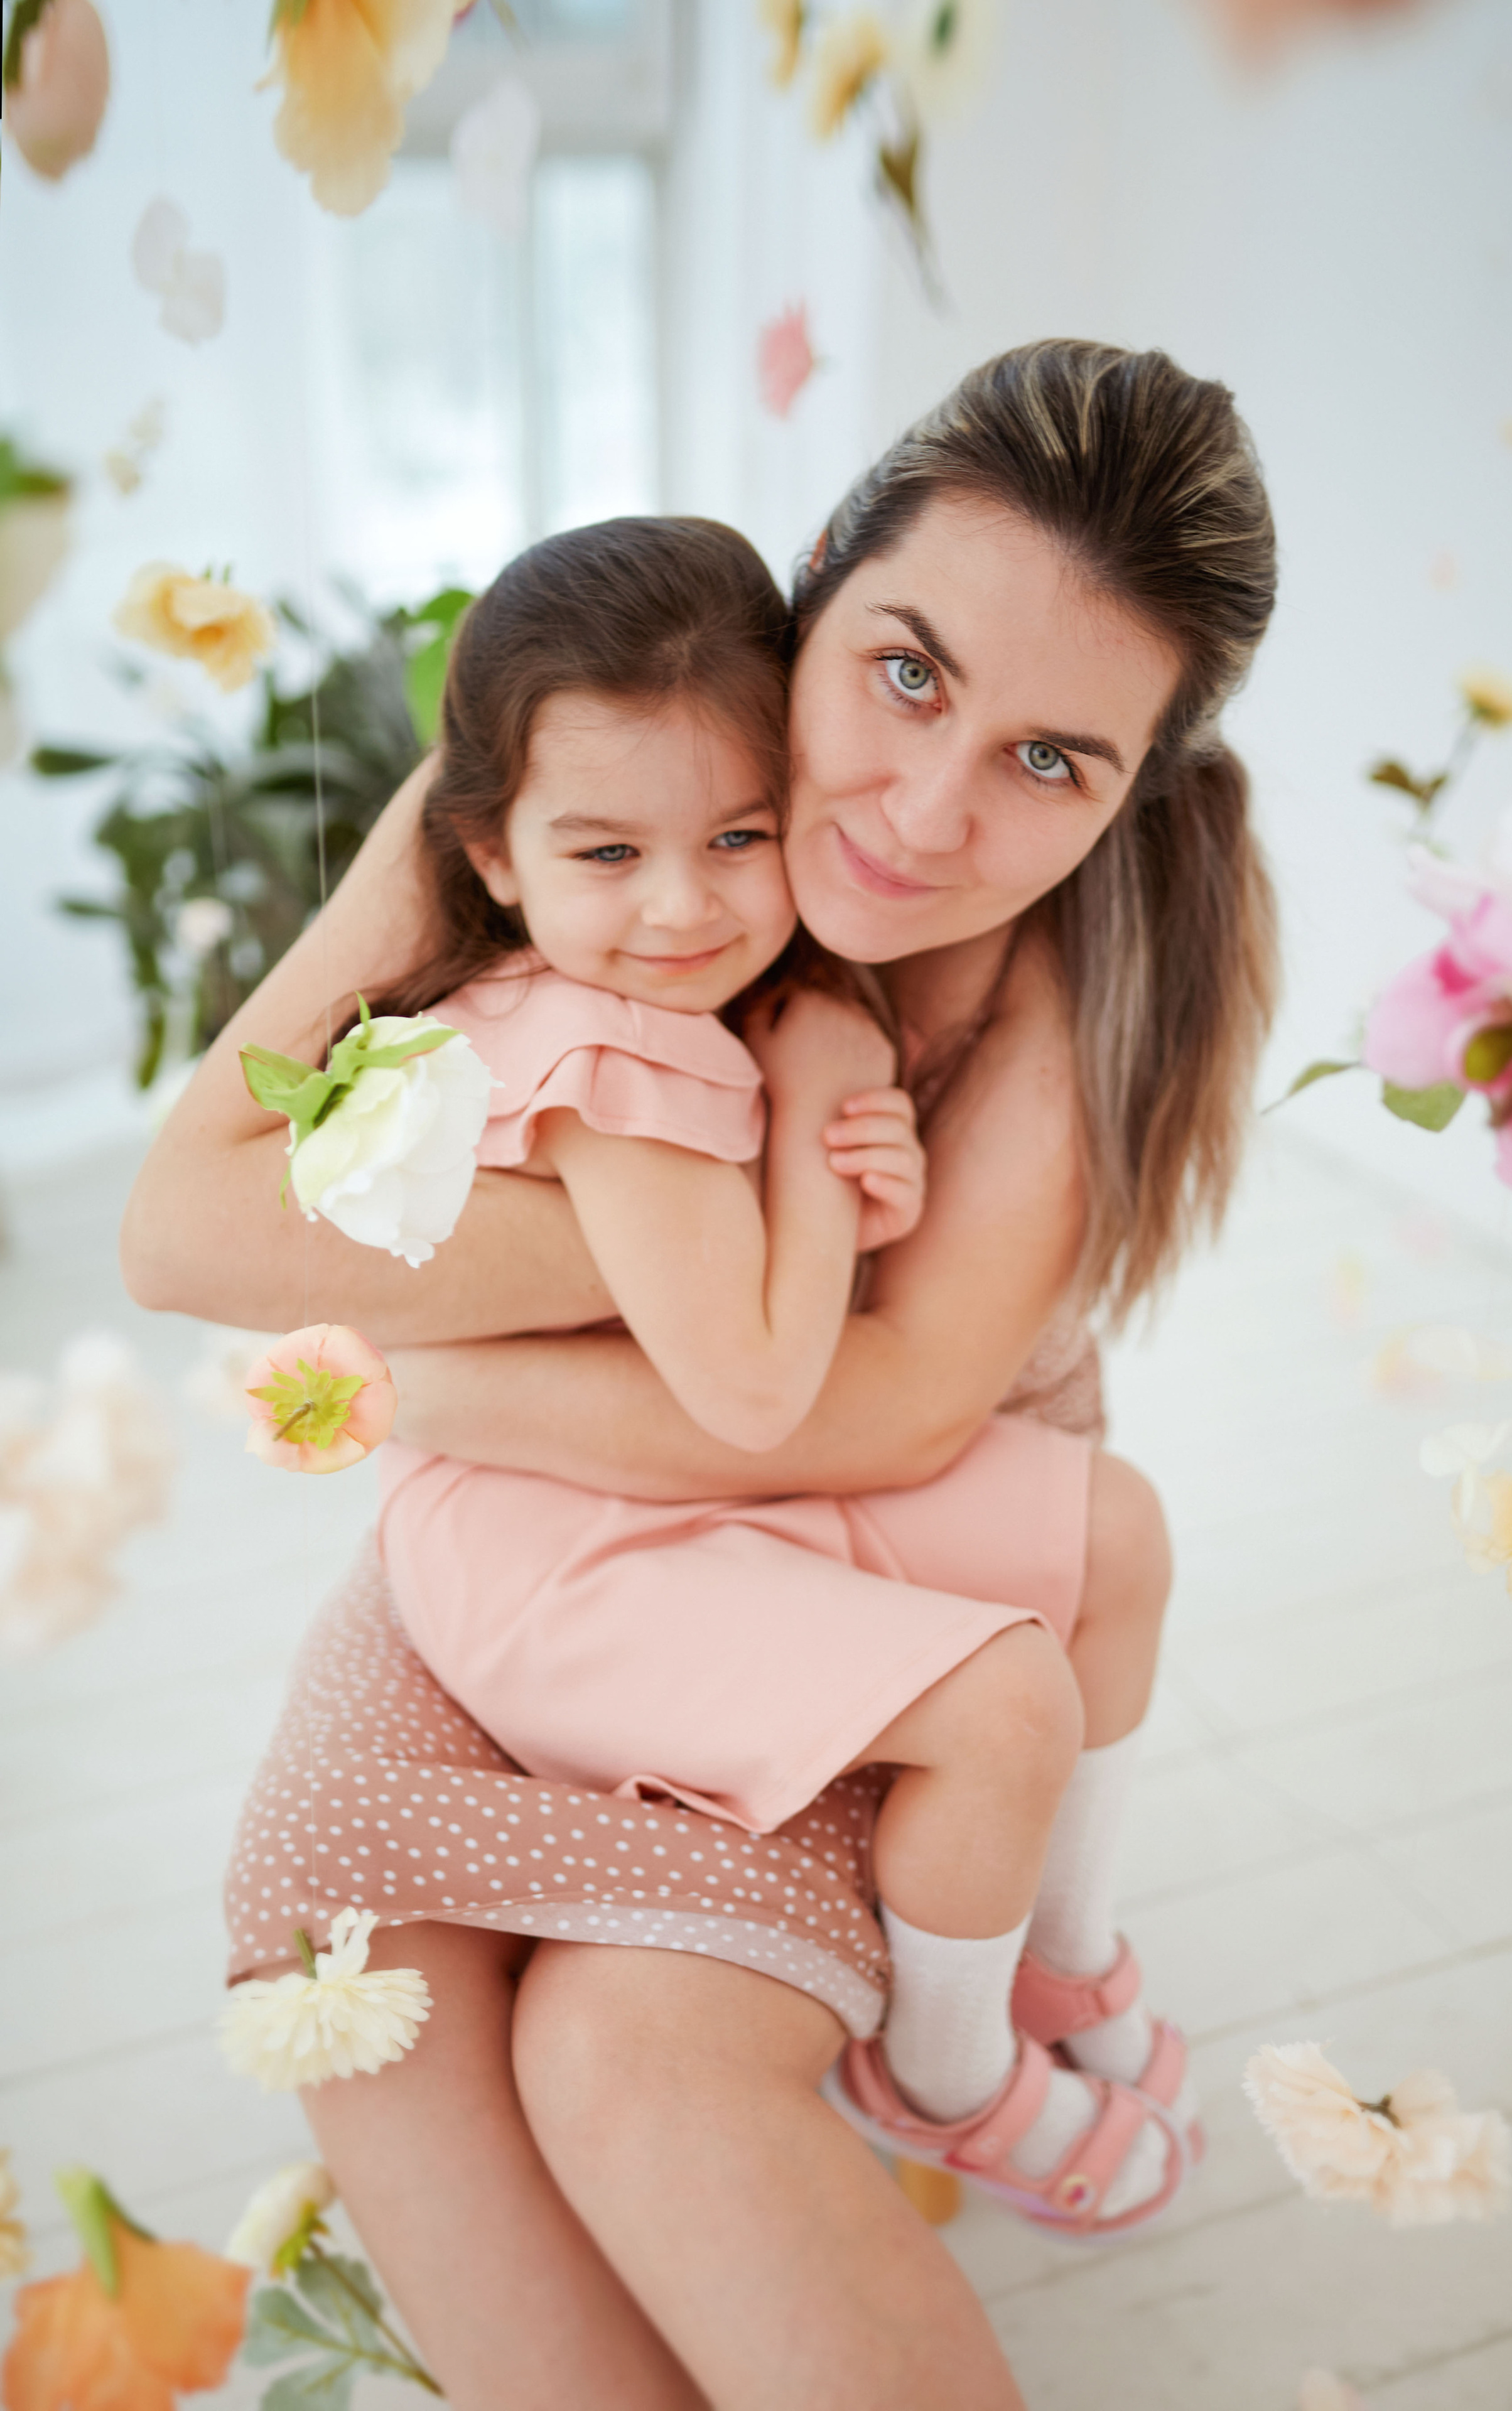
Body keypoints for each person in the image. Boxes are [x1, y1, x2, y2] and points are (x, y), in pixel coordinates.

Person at [124, 338, 1278, 2410]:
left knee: (624, 2052)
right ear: (816, 577)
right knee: (356, 1968)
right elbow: (187, 1230)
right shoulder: (596, 741)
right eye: (907, 672)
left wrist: (432, 1369)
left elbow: (878, 1412)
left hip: (829, 1506)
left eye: (1051, 761)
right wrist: (639, 1258)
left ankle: (989, 2019)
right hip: (563, 1505)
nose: (926, 813)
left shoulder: (1083, 971)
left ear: (1135, 789)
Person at [348, 512, 1189, 2236]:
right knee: (1006, 1704)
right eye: (607, 855)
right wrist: (822, 1153)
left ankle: (1060, 1954)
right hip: (569, 1561)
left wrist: (824, 1095)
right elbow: (750, 1387)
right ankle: (945, 2078)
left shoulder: (666, 1008)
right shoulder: (614, 1061)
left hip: (652, 1486)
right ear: (493, 858)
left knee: (1117, 1533)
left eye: (739, 835)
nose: (684, 909)